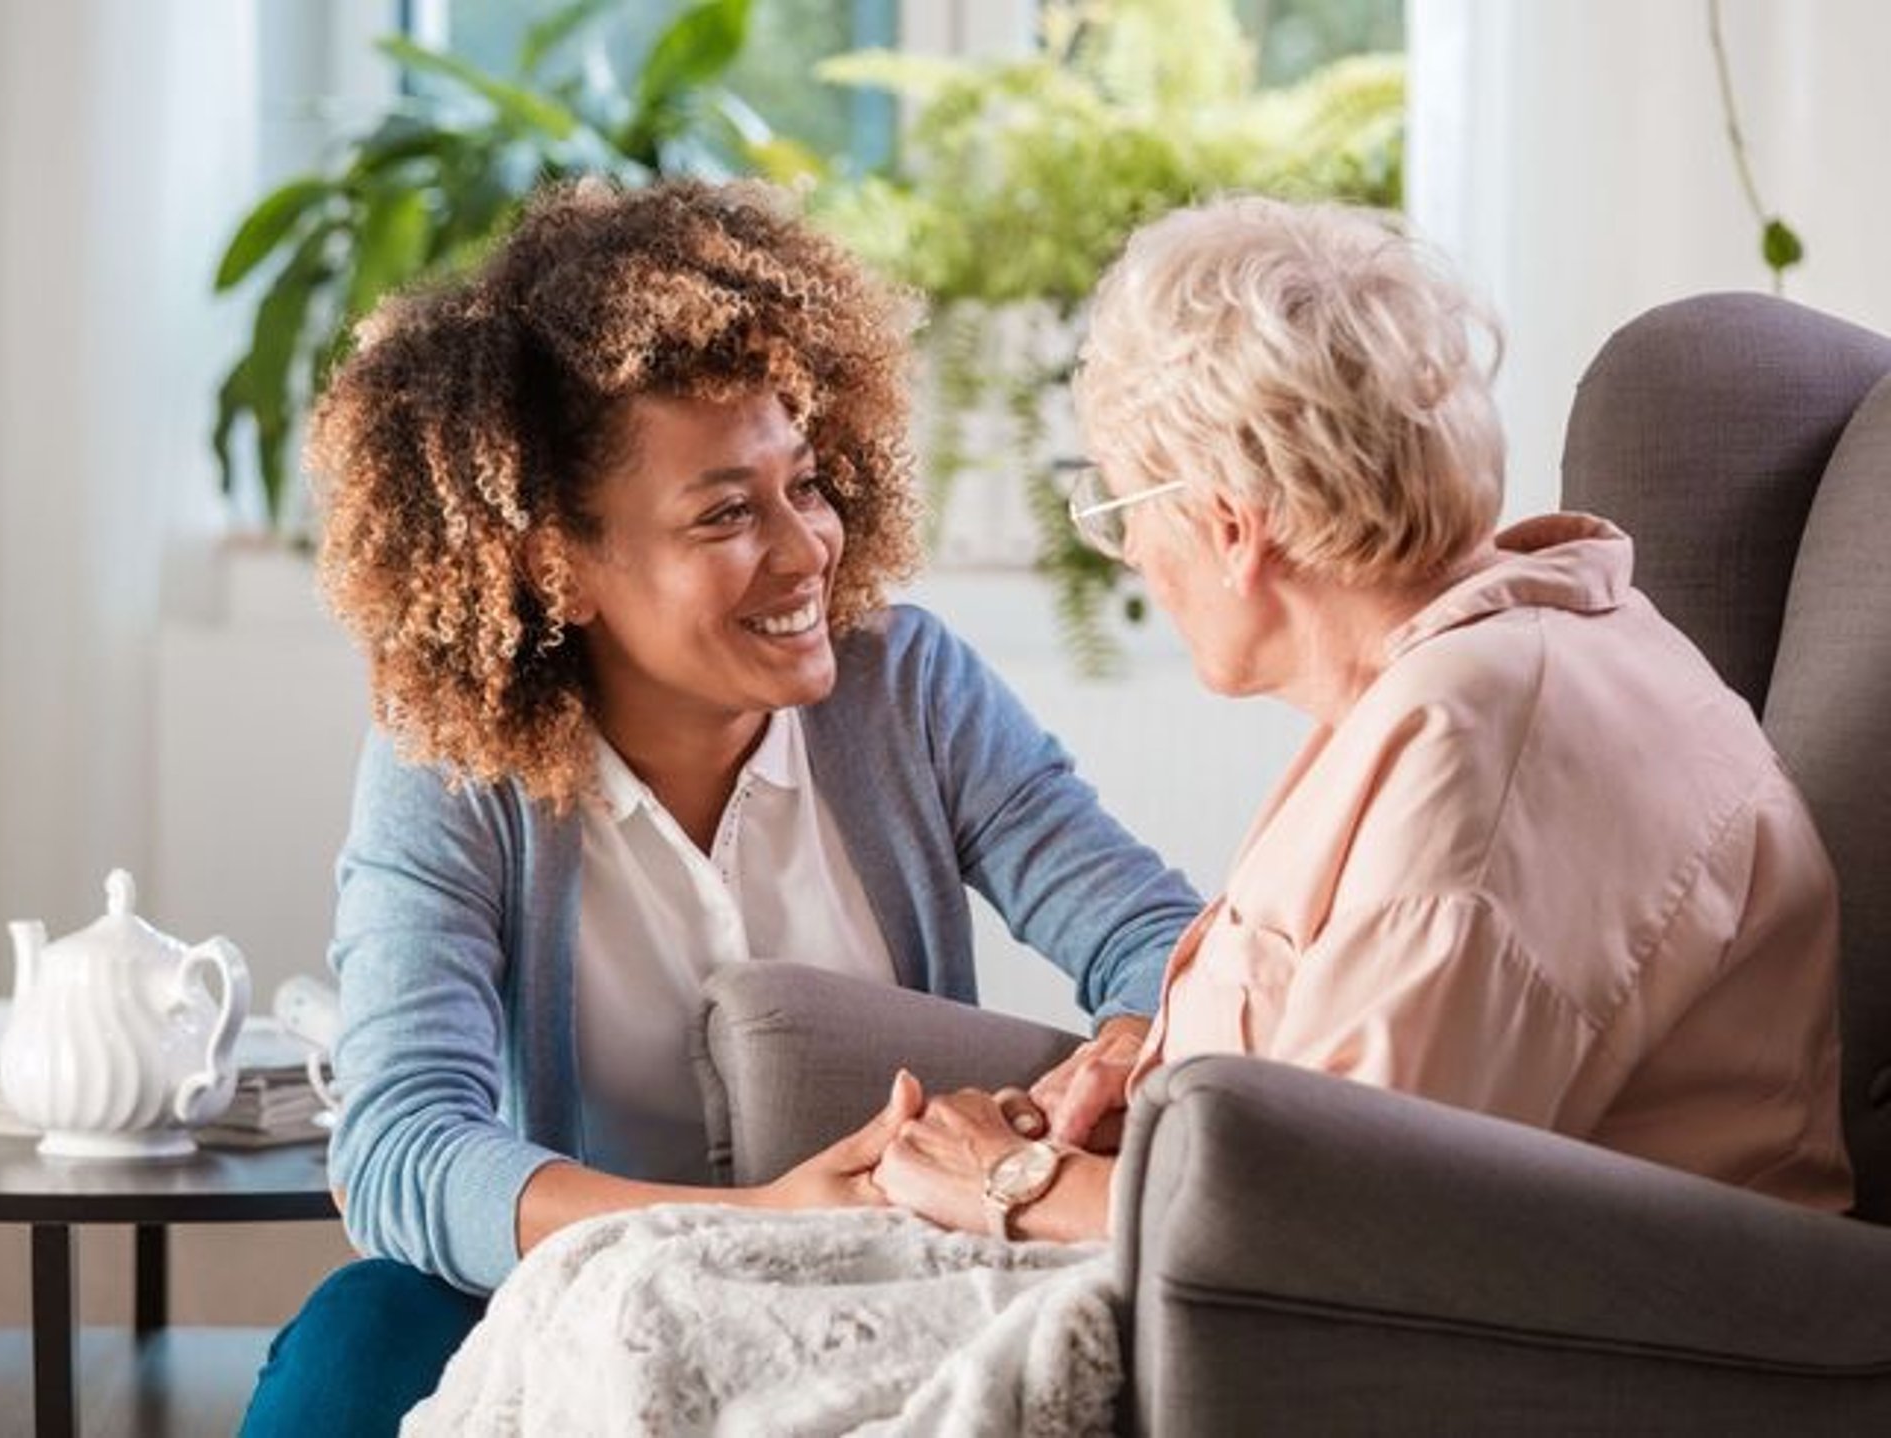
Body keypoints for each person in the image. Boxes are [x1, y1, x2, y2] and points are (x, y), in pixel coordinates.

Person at [237, 178, 1202, 1436]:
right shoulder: (454, 769)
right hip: (581, 1297)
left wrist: (1130, 1045)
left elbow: (1159, 940)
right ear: (557, 566)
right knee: (362, 1335)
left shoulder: (906, 690)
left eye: (804, 483)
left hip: (879, 1287)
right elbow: (404, 1148)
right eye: (728, 513)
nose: (807, 549)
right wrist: (754, 1222)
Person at [871, 195, 1852, 1244]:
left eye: (1118, 512)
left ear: (1230, 525)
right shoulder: (1500, 655)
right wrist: (1161, 1082)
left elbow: (1341, 1223)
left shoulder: (1479, 741)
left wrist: (1015, 1182)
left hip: (1587, 1345)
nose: (1136, 559)